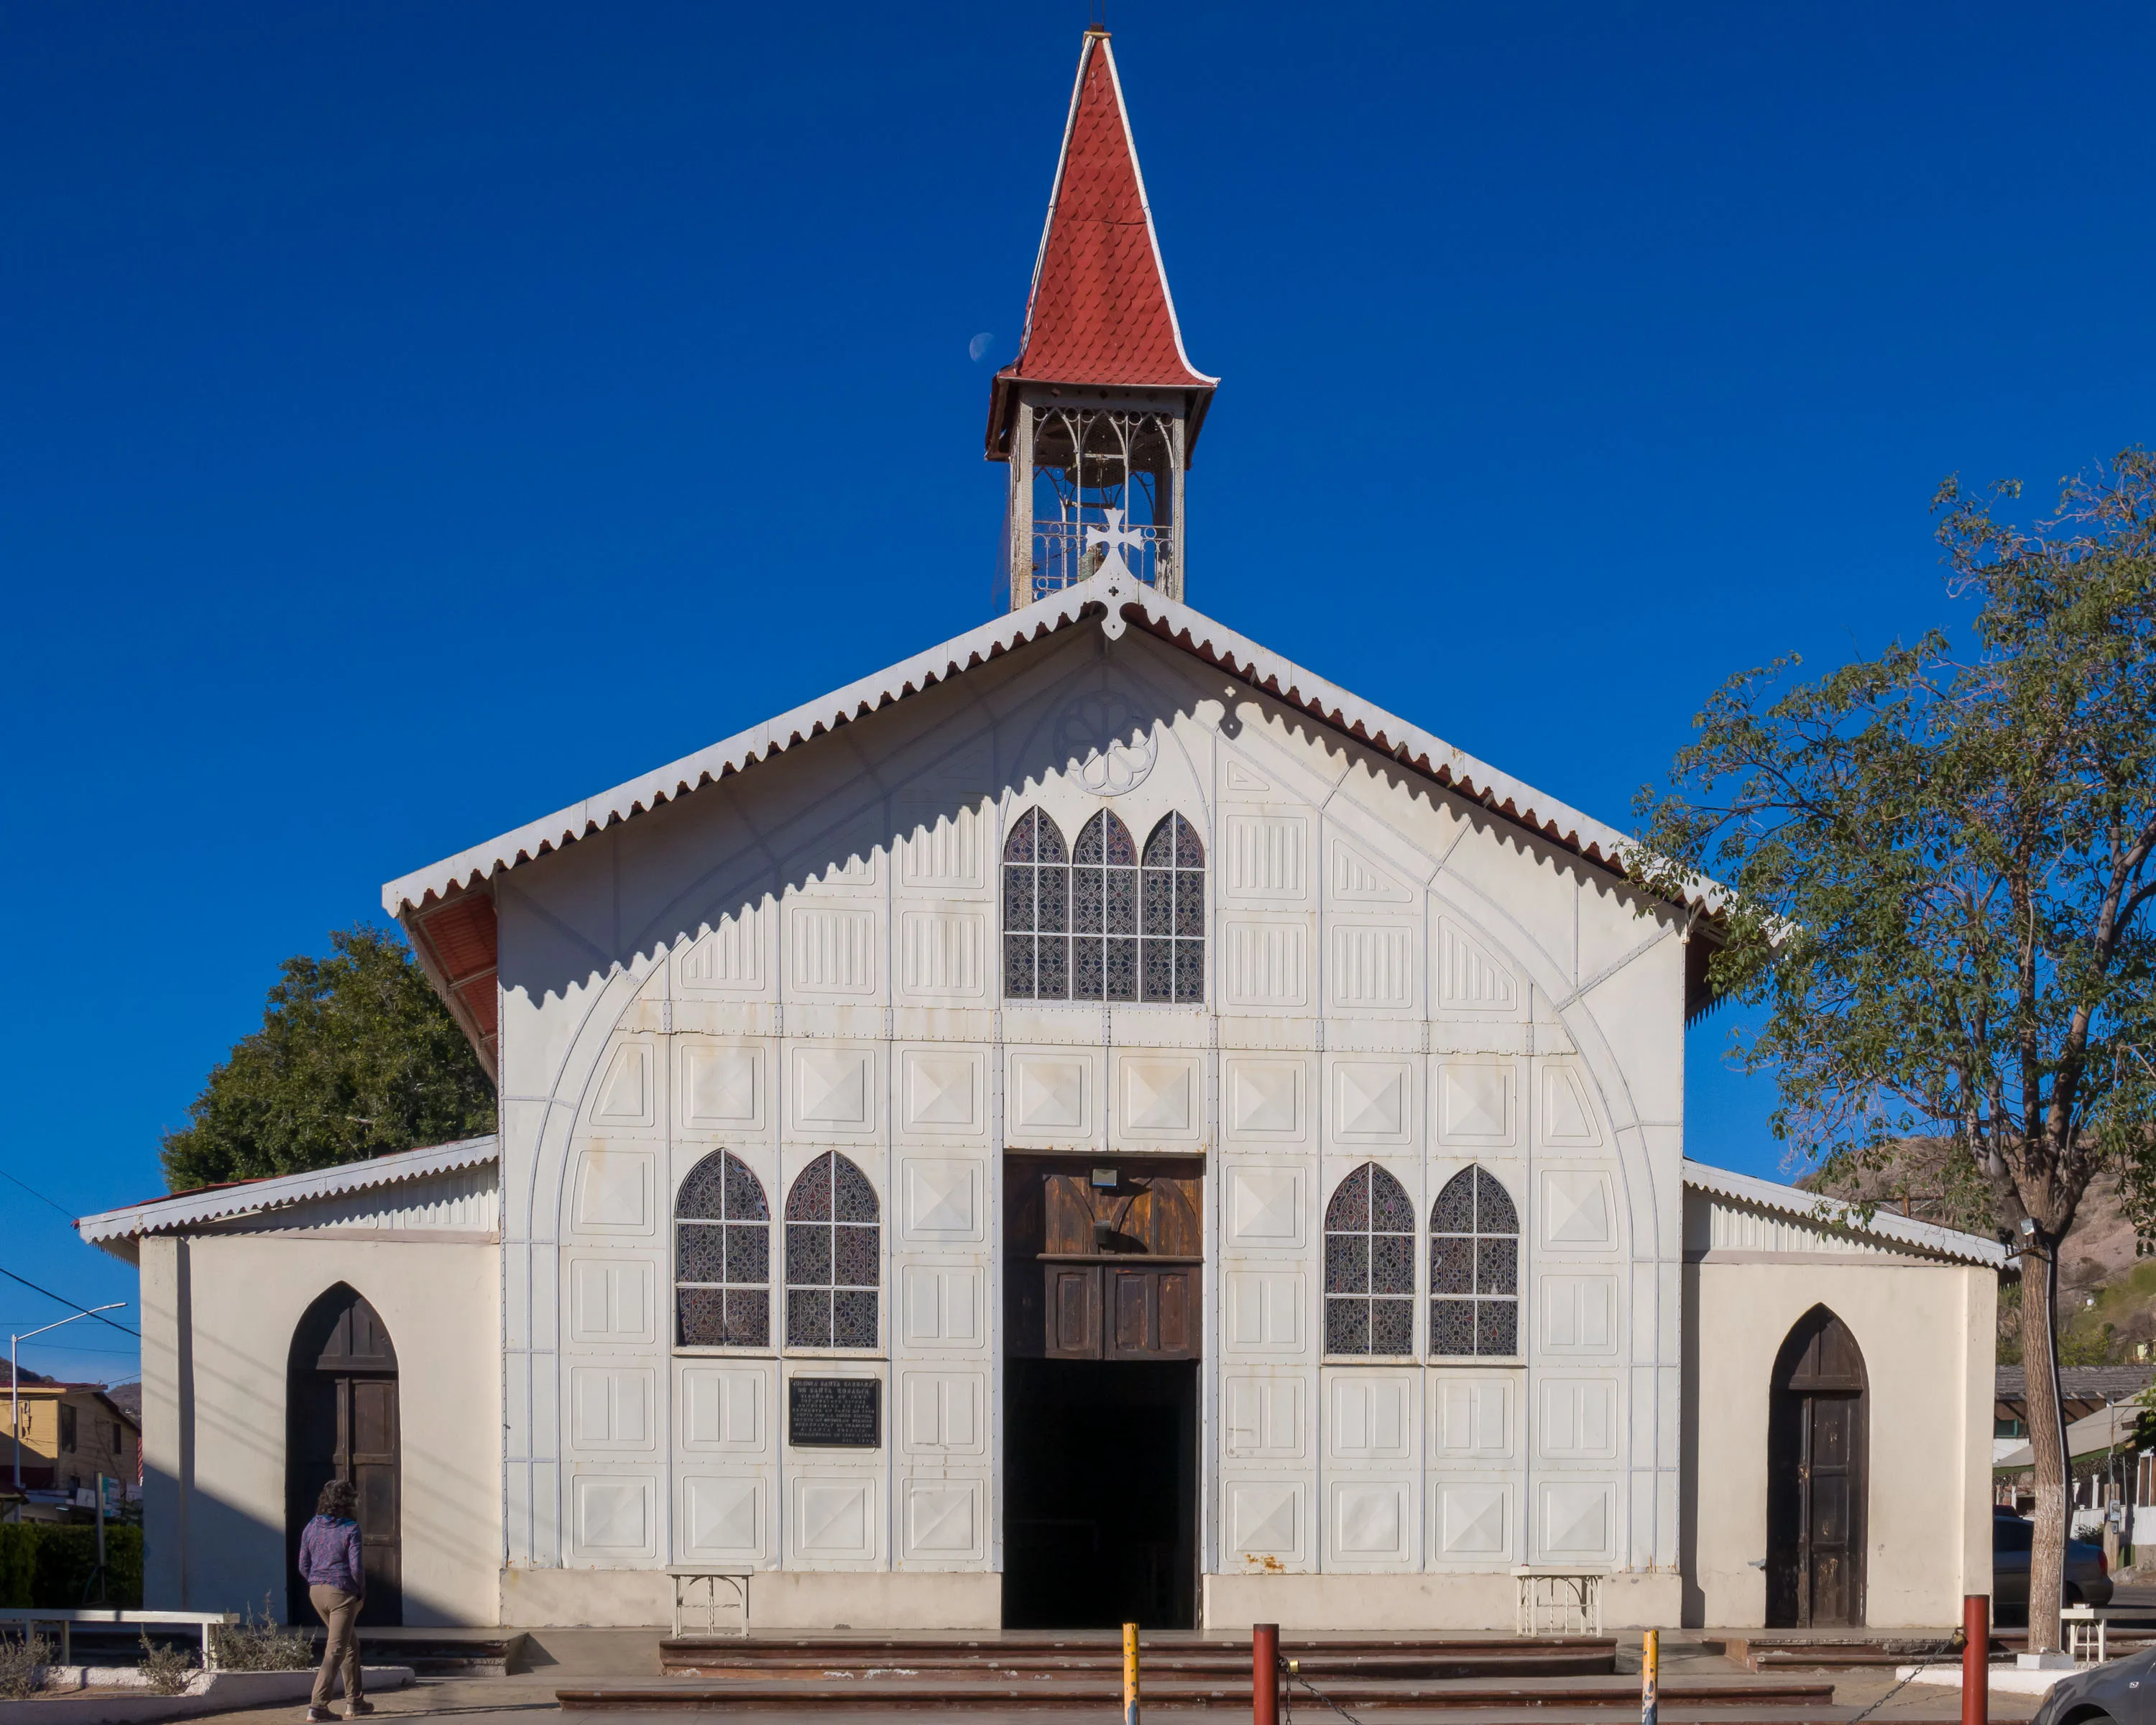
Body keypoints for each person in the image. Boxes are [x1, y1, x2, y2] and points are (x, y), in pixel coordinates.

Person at [295, 1479, 373, 1722]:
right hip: (341, 1595)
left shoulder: (311, 1526)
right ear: (348, 1503)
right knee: (335, 1650)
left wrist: (318, 1581)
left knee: (350, 1645)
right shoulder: (351, 1529)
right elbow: (356, 1568)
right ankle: (318, 1706)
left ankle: (355, 1701)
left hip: (316, 1592)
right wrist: (360, 1592)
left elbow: (303, 1565)